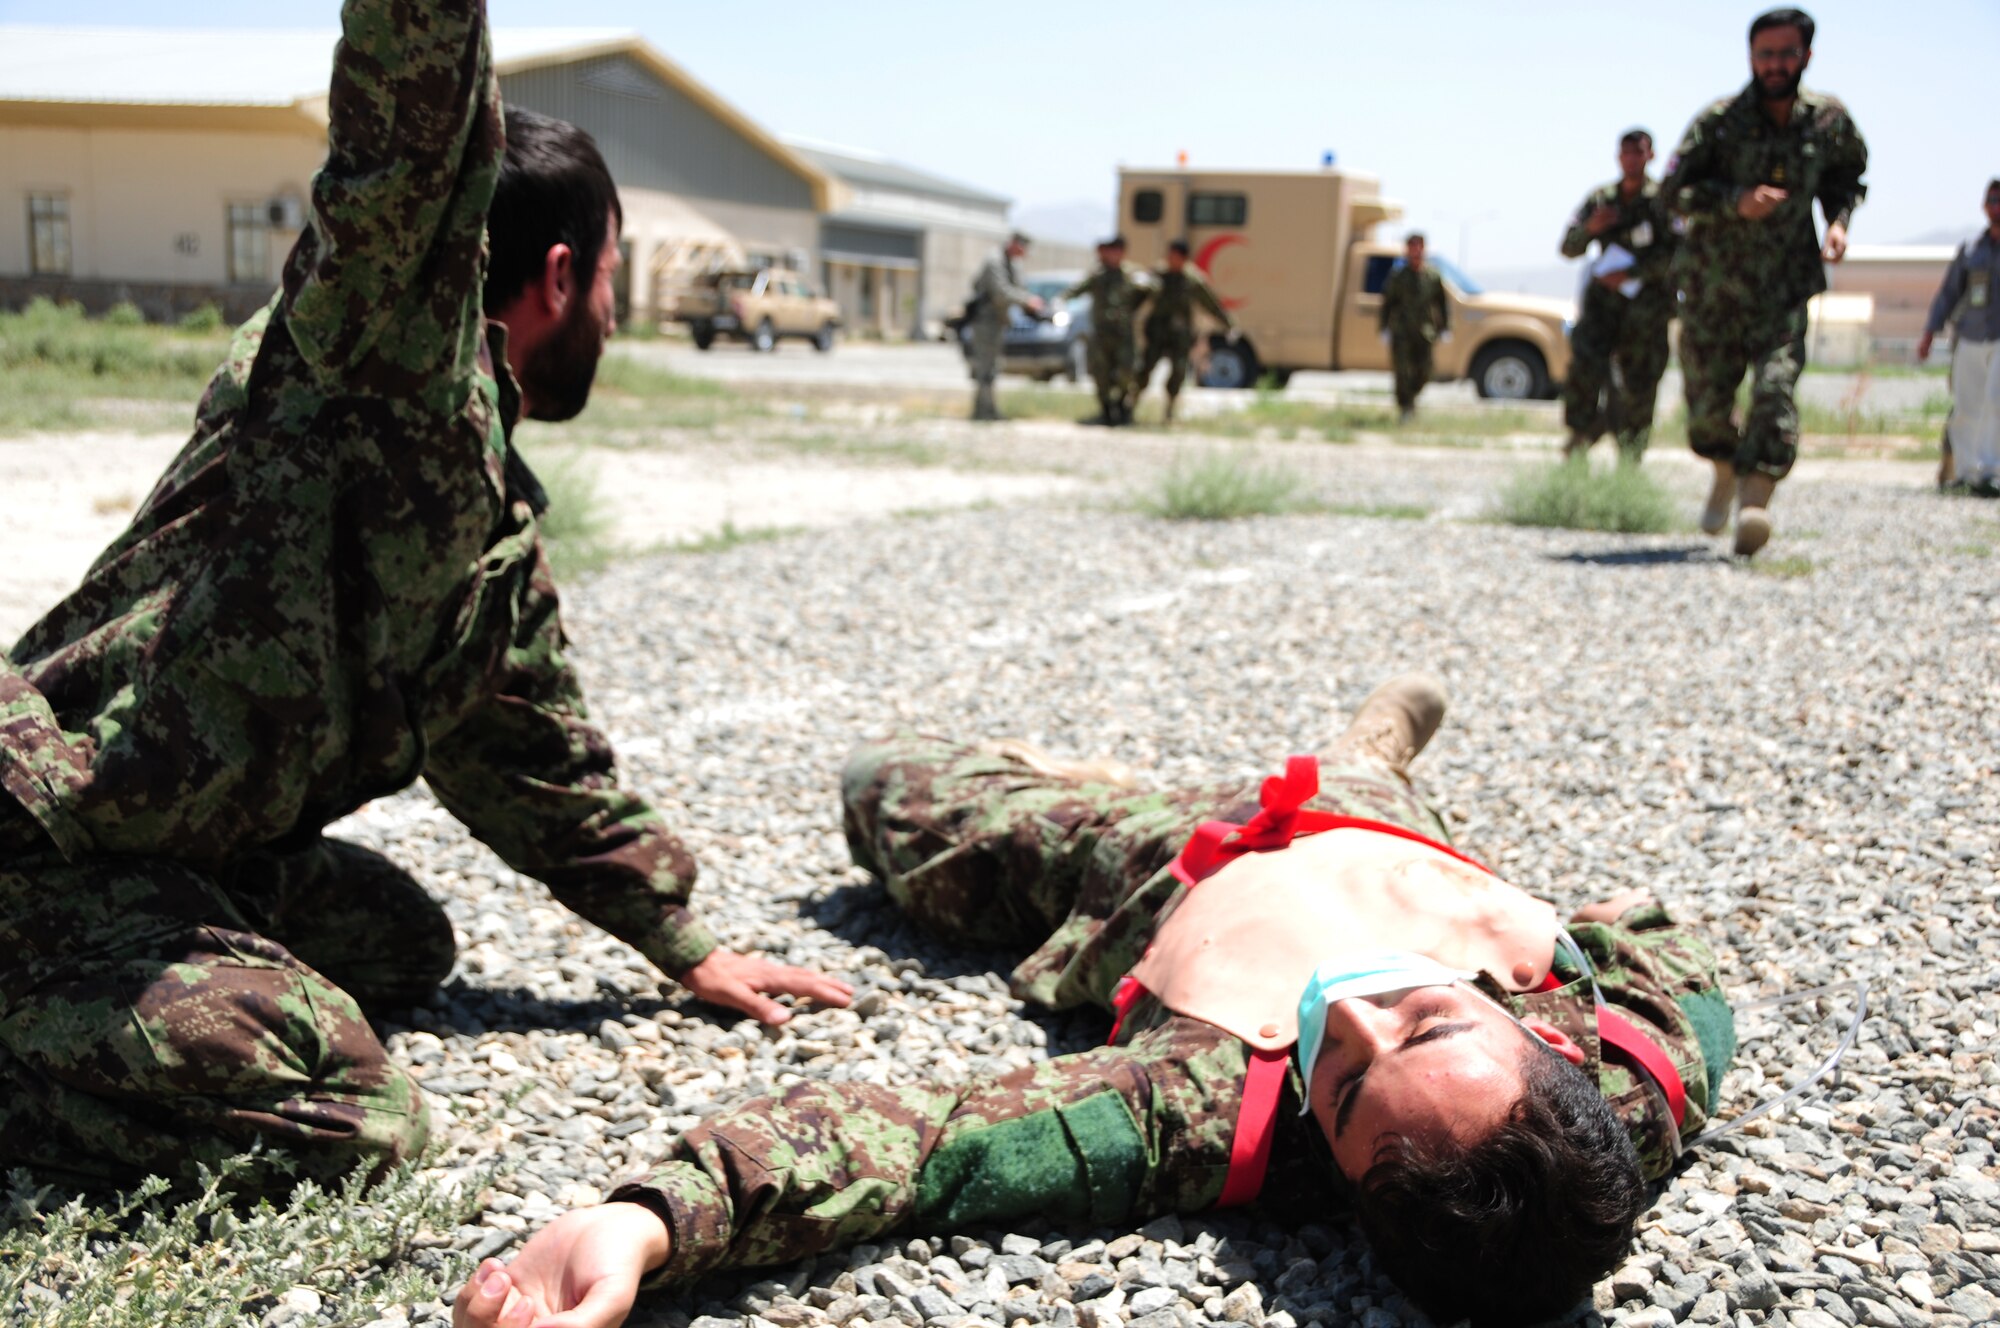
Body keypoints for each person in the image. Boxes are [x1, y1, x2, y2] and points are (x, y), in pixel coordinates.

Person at [0, 0, 850, 1195]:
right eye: (610, 279)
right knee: (356, 1117)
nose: (609, 313)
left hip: (177, 849)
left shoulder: (481, 504)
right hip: (49, 834)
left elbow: (525, 743)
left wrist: (686, 943)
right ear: (559, 276)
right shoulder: (374, 362)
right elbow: (407, 139)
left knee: (398, 939)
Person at [453, 676, 1736, 1328]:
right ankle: (1375, 734)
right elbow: (1668, 957)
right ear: (1534, 1029)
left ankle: (1112, 780)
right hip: (1377, 830)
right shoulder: (1625, 1066)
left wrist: (651, 1220)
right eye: (1434, 1020)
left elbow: (923, 1140)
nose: (1353, 1019)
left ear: (1332, 1164)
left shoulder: (1190, 1110)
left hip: (1170, 869)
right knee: (1358, 758)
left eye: (1343, 1086)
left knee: (881, 785)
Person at [1662, 6, 1868, 555]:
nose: (1775, 64)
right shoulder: (1720, 121)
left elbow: (1848, 177)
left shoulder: (1828, 121)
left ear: (1806, 55)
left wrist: (1839, 223)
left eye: (1786, 53)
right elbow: (1673, 191)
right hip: (1714, 287)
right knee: (1707, 405)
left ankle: (1754, 504)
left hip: (1784, 285)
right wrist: (1736, 202)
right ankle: (1725, 470)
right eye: (1765, 54)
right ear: (1751, 56)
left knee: (1775, 391)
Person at [1560, 129, 1680, 464]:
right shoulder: (1601, 199)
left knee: (1639, 386)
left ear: (1650, 156)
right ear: (1618, 156)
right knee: (1584, 369)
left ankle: (1631, 460)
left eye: (1638, 152)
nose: (1632, 159)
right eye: (1626, 152)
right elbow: (1568, 246)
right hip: (1602, 310)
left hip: (1646, 311)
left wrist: (1632, 273)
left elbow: (1680, 254)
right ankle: (1580, 439)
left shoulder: (1663, 200)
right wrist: (1591, 229)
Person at [1917, 179, 2000, 495]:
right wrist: (1929, 333)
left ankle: (1992, 473)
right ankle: (1966, 473)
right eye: (1992, 199)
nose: (1996, 206)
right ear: (1984, 205)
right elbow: (1948, 294)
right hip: (1970, 336)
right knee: (1967, 406)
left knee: (1997, 401)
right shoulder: (1971, 250)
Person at [1139, 239, 1236, 425]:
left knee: (1178, 373)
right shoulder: (1157, 275)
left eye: (1177, 256)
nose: (1172, 260)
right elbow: (1137, 296)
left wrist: (1228, 324)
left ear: (1184, 259)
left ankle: (1169, 412)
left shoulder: (1192, 280)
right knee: (1145, 370)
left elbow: (1210, 303)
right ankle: (1131, 404)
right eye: (1170, 255)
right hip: (1157, 333)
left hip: (1181, 336)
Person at [1066, 235, 1155, 425]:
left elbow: (1152, 290)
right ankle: (1106, 411)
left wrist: (1146, 285)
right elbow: (1075, 290)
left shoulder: (1132, 274)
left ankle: (1122, 407)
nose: (1114, 255)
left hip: (1124, 335)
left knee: (1127, 372)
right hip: (1101, 334)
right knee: (1101, 374)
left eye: (1118, 251)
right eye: (1111, 251)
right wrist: (1061, 300)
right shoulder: (1098, 275)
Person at [966, 232, 1046, 422]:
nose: (1023, 253)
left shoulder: (1012, 263)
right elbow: (1001, 293)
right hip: (985, 321)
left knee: (992, 367)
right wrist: (1027, 301)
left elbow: (1019, 287)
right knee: (986, 367)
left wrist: (1031, 303)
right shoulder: (995, 260)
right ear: (1013, 244)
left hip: (997, 321)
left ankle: (985, 410)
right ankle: (984, 412)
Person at [1378, 233, 1450, 423]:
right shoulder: (1398, 276)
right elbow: (1388, 303)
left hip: (1424, 331)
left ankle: (1411, 398)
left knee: (1425, 371)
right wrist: (1384, 328)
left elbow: (1441, 303)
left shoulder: (1432, 276)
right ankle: (1406, 407)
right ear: (1407, 250)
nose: (1416, 251)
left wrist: (1445, 328)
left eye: (1419, 247)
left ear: (1424, 249)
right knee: (1402, 371)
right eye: (1412, 247)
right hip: (1402, 331)